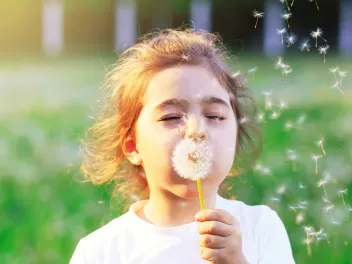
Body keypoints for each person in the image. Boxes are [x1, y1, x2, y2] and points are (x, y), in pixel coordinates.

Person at [70, 28, 296, 264]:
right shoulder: (101, 252)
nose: (196, 130)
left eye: (215, 116)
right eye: (171, 118)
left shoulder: (260, 228)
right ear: (133, 147)